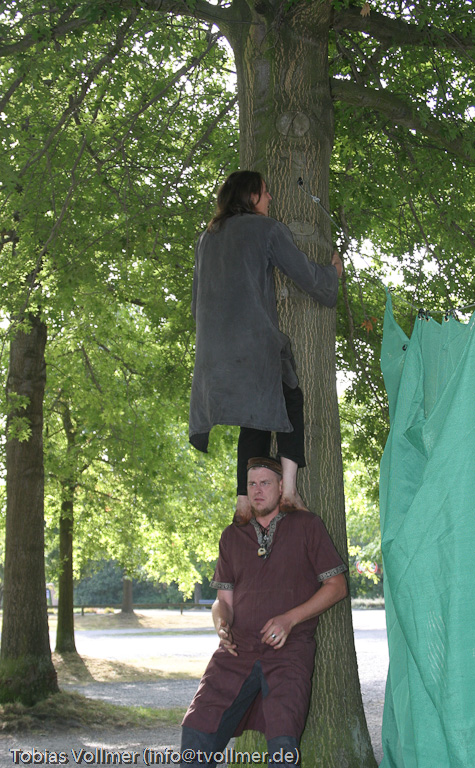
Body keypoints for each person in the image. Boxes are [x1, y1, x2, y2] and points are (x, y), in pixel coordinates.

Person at [188, 170, 342, 524]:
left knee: (253, 419)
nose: (271, 197)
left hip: (213, 354)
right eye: (265, 191)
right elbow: (305, 275)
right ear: (251, 196)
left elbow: (196, 303)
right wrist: (332, 275)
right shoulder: (267, 229)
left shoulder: (206, 238)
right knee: (290, 399)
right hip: (253, 346)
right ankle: (289, 492)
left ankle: (243, 502)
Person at [180, 457, 348, 767]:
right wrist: (221, 624)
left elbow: (337, 586)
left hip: (289, 651)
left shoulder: (307, 525)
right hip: (236, 650)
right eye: (252, 484)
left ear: (282, 486)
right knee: (198, 725)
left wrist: (289, 619)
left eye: (265, 483)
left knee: (283, 739)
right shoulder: (232, 535)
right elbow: (223, 601)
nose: (257, 490)